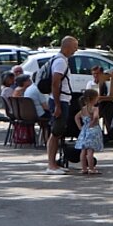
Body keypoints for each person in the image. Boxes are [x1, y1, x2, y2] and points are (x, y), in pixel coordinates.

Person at [44, 36, 78, 175]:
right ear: (67, 46)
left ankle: (54, 164)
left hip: (63, 100)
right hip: (60, 100)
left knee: (58, 133)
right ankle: (51, 165)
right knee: (55, 132)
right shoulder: (60, 62)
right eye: (74, 47)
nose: (75, 50)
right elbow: (55, 83)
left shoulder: (61, 60)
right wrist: (57, 105)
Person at [74, 88, 105, 175]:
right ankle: (91, 168)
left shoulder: (83, 109)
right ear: (93, 99)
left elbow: (76, 117)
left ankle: (84, 168)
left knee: (83, 151)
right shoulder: (95, 109)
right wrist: (93, 123)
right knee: (90, 151)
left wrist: (80, 127)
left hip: (84, 130)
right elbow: (95, 117)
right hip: (93, 130)